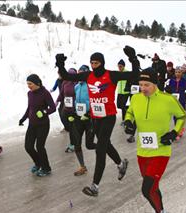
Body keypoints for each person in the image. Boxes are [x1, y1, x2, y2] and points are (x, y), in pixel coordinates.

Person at [55, 45, 139, 197]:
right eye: (92, 63)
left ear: (102, 63)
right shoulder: (88, 76)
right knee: (105, 144)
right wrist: (60, 63)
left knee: (100, 150)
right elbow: (68, 76)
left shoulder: (111, 75)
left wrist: (133, 58)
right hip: (95, 117)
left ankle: (95, 186)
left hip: (108, 117)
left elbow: (134, 74)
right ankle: (121, 164)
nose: (94, 66)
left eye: (96, 63)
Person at [123, 68, 186, 213]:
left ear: (155, 84)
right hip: (142, 151)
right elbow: (130, 112)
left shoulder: (167, 100)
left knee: (146, 189)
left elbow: (182, 116)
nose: (143, 88)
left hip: (161, 151)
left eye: (147, 85)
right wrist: (129, 122)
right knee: (153, 188)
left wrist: (174, 133)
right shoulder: (136, 98)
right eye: (141, 84)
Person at [19, 74, 56, 176]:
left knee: (40, 146)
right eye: (27, 84)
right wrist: (23, 118)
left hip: (43, 125)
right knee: (28, 147)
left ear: (37, 83)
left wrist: (44, 112)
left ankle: (46, 168)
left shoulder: (45, 93)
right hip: (32, 124)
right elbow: (29, 108)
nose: (28, 86)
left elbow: (53, 108)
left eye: (30, 84)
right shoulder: (30, 94)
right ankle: (38, 163)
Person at [70, 65, 97, 176]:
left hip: (89, 118)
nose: (79, 76)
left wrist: (89, 113)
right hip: (79, 117)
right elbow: (76, 101)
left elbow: (95, 100)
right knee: (76, 143)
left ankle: (103, 147)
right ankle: (82, 167)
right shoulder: (77, 86)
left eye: (82, 73)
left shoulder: (91, 86)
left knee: (89, 144)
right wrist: (73, 112)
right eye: (78, 73)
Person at [57, 68, 78, 153]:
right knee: (68, 125)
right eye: (69, 74)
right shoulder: (65, 82)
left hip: (74, 109)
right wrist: (57, 101)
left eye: (72, 74)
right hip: (66, 108)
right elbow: (61, 93)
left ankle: (73, 144)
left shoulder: (77, 83)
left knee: (73, 127)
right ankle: (75, 140)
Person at [116, 59, 131, 126]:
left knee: (122, 106)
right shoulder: (118, 73)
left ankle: (124, 120)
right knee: (119, 105)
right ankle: (128, 108)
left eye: (121, 66)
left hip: (125, 92)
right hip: (119, 92)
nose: (119, 67)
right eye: (118, 66)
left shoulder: (127, 73)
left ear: (123, 66)